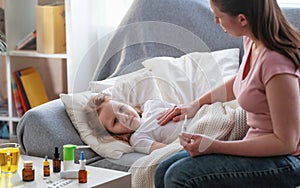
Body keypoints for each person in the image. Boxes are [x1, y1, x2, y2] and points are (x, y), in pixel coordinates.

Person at [154, 0, 300, 187]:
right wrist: (195, 105)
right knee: (163, 169)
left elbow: (286, 143)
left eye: (218, 17)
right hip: (259, 147)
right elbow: (243, 82)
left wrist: (214, 146)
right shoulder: (252, 41)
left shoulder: (277, 63)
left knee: (178, 176)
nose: (215, 22)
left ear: (242, 19)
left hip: (287, 160)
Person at [84, 93, 190, 154]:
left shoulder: (152, 104)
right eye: (115, 121)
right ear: (113, 133)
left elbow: (188, 108)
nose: (125, 117)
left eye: (121, 108)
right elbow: (170, 151)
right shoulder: (138, 139)